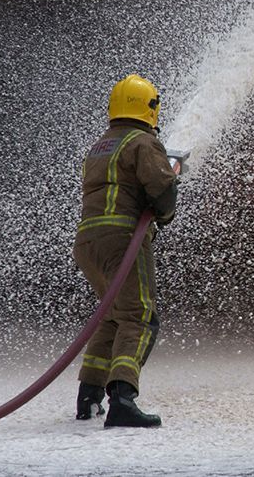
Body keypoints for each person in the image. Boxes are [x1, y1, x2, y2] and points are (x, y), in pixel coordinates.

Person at [73, 74, 178, 427]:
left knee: (112, 315)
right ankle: (122, 398)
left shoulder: (101, 146)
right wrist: (166, 209)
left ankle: (88, 397)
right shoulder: (143, 142)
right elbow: (162, 192)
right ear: (150, 108)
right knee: (139, 316)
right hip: (122, 239)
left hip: (89, 242)